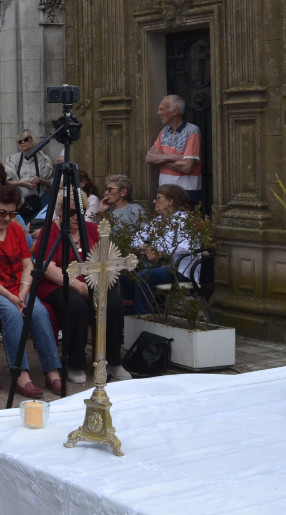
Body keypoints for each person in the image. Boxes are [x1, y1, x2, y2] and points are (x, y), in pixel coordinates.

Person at [0, 185, 63, 399]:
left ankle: (52, 370)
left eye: (13, 213)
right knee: (12, 312)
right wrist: (11, 297)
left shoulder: (16, 229)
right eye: (2, 213)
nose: (8, 218)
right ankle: (20, 374)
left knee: (39, 311)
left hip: (17, 287)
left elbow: (28, 264)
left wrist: (23, 292)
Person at [33, 208, 130, 383]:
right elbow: (48, 267)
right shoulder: (51, 231)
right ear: (60, 212)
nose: (76, 216)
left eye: (80, 211)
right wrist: (77, 285)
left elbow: (106, 261)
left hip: (92, 283)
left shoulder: (92, 229)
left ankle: (112, 361)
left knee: (113, 304)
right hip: (57, 284)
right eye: (70, 212)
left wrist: (99, 284)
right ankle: (75, 363)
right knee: (77, 306)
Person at [130, 184, 198, 315]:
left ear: (170, 201)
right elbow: (135, 239)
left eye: (158, 197)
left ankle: (144, 317)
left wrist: (161, 253)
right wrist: (145, 248)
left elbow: (188, 246)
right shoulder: (157, 221)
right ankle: (129, 314)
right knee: (124, 272)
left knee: (145, 276)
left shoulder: (186, 220)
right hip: (159, 266)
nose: (154, 201)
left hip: (181, 270)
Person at [145, 94, 202, 208]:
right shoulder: (164, 132)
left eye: (162, 109)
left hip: (186, 192)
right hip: (164, 192)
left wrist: (161, 157)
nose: (158, 113)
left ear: (174, 111)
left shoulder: (192, 131)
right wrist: (177, 157)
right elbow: (149, 158)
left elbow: (187, 167)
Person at [5, 130, 53, 220]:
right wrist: (22, 183)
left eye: (26, 139)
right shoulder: (13, 159)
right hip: (21, 201)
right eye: (20, 141)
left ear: (32, 140)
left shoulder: (43, 159)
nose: (23, 142)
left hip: (39, 199)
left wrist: (40, 179)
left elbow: (50, 184)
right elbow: (8, 182)